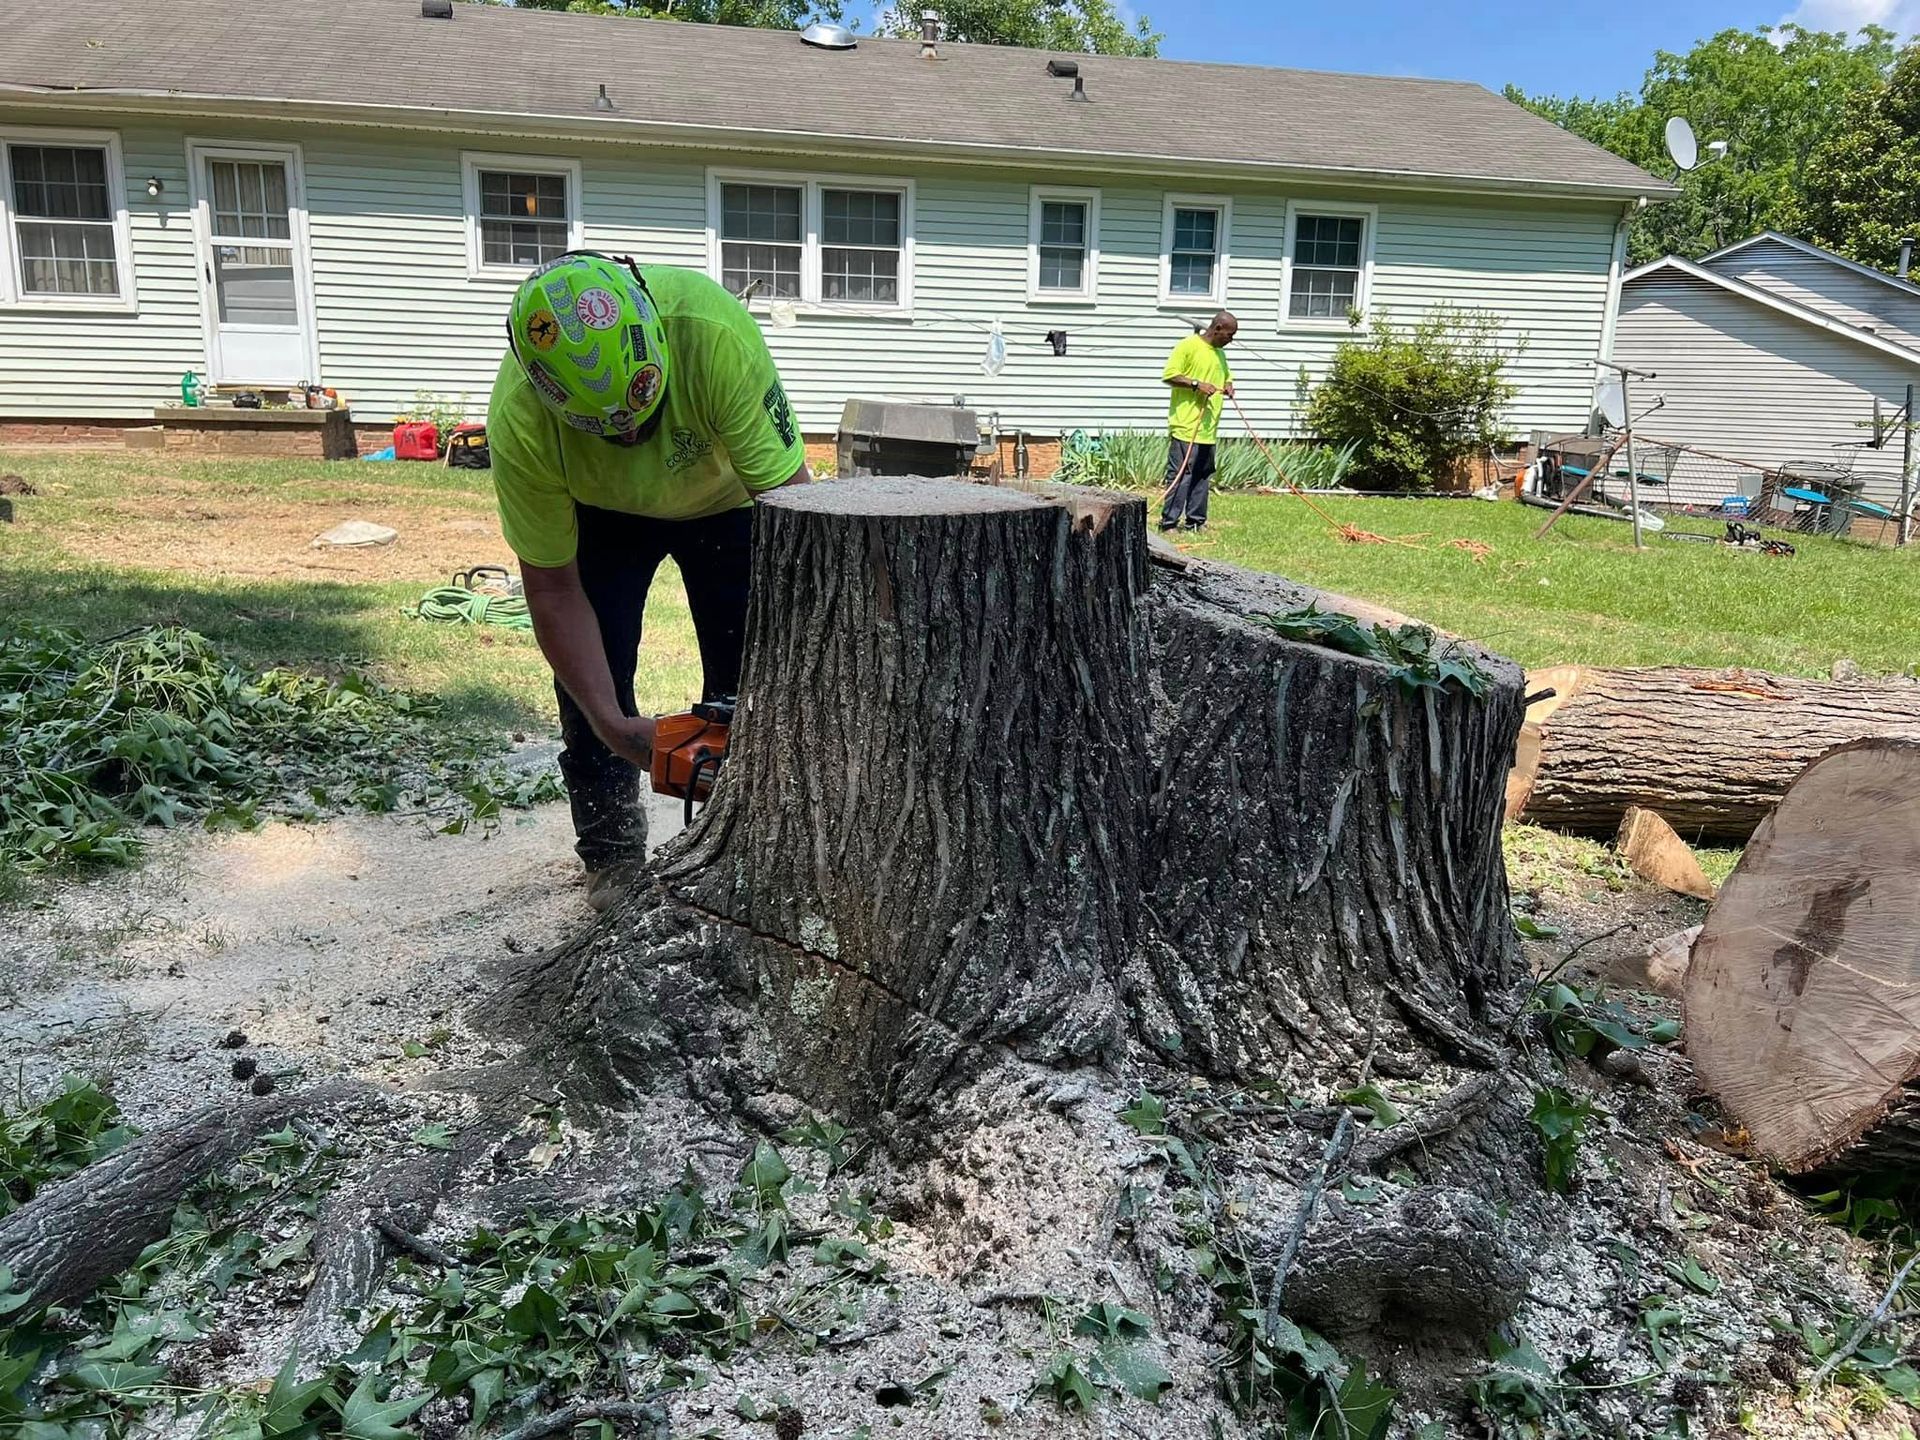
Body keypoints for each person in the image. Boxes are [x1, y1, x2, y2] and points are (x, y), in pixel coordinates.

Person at [487, 252, 809, 910]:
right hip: (600, 514)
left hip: (730, 502)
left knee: (744, 685)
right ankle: (611, 856)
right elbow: (551, 590)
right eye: (609, 430)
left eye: (641, 412)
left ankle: (743, 845)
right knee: (591, 691)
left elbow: (798, 525)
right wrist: (613, 723)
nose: (632, 433)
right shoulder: (521, 418)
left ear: (657, 337)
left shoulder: (710, 334)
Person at [1160, 311, 1238, 533]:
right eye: (1229, 335)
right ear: (1217, 329)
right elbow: (1170, 375)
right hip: (1186, 426)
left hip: (1208, 428)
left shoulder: (1219, 353)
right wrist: (1196, 384)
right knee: (1180, 475)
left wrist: (1229, 386)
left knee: (1202, 475)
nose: (1231, 340)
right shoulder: (1188, 346)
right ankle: (1169, 523)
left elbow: (1225, 376)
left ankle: (1196, 521)